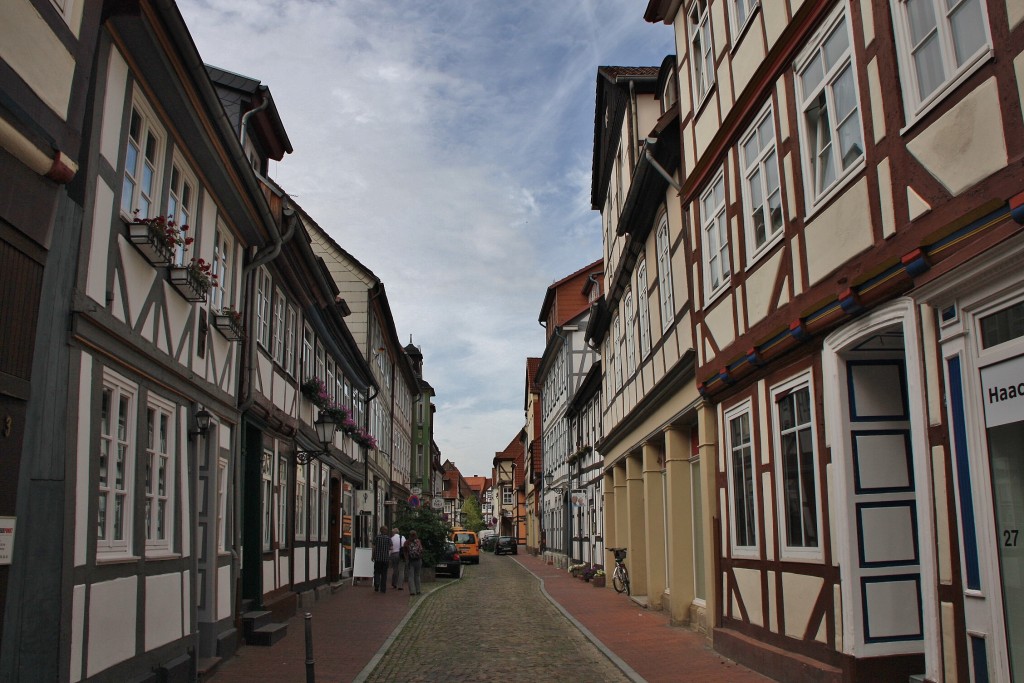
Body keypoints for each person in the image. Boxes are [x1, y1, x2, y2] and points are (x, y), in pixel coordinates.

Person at [372, 525, 391, 592]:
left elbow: (373, 547)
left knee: (377, 572)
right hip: (385, 559)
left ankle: (377, 583)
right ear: (385, 531)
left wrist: (372, 555)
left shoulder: (377, 537)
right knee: (384, 574)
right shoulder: (388, 538)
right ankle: (383, 589)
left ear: (380, 530)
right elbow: (391, 547)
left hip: (378, 558)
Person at [405, 530, 424, 595]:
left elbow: (405, 551)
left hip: (411, 561)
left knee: (411, 576)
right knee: (417, 575)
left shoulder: (407, 542)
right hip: (418, 560)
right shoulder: (418, 541)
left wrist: (406, 559)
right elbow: (421, 550)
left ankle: (412, 591)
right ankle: (418, 590)